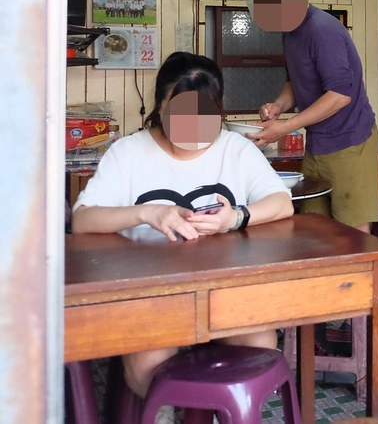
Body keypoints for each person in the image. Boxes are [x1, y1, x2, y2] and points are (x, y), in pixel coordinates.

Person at [71, 51, 294, 402]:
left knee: (260, 344)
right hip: (151, 297)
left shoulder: (234, 148)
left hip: (224, 292)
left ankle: (224, 409)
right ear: (160, 106)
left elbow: (281, 203)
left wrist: (235, 217)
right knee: (147, 362)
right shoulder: (128, 152)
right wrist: (146, 214)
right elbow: (83, 219)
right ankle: (161, 410)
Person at [245, 0, 378, 233]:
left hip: (349, 142)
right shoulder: (290, 31)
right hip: (318, 143)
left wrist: (284, 127)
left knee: (351, 230)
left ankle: (355, 276)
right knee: (314, 227)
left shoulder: (322, 30)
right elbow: (294, 82)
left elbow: (341, 95)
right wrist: (278, 107)